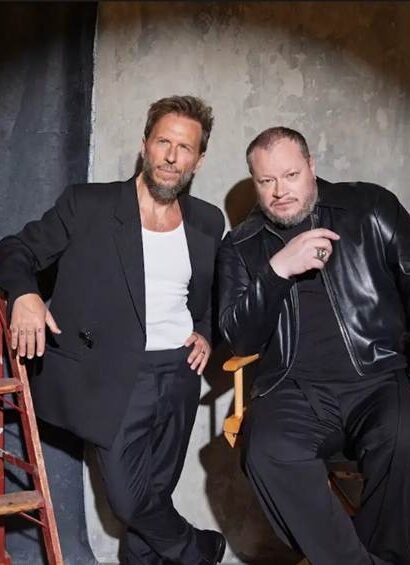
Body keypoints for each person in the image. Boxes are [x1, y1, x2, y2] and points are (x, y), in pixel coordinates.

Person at [0, 95, 226, 565]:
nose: (171, 156)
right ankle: (201, 549)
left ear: (199, 159)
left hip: (181, 373)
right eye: (163, 142)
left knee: (156, 495)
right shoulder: (88, 205)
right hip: (116, 376)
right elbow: (15, 249)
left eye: (184, 148)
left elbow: (206, 296)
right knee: (129, 500)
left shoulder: (208, 220)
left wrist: (204, 331)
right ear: (144, 144)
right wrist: (24, 294)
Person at [218, 126, 410, 565]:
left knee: (404, 437)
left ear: (311, 166)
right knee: (266, 452)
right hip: (291, 389)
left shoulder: (369, 207)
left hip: (377, 375)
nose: (280, 191)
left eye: (290, 175)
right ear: (255, 183)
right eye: (266, 181)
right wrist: (277, 271)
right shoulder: (241, 245)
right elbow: (239, 338)